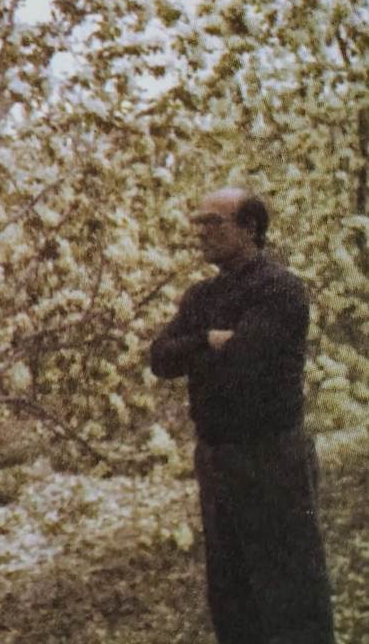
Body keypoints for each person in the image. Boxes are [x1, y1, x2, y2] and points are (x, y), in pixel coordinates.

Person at [149, 187, 334, 644]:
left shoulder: (280, 289)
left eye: (214, 222)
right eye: (199, 222)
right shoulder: (200, 296)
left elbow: (245, 363)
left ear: (250, 228)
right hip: (217, 460)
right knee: (231, 593)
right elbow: (159, 358)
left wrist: (202, 350)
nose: (202, 232)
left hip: (271, 457)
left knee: (290, 590)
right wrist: (205, 342)